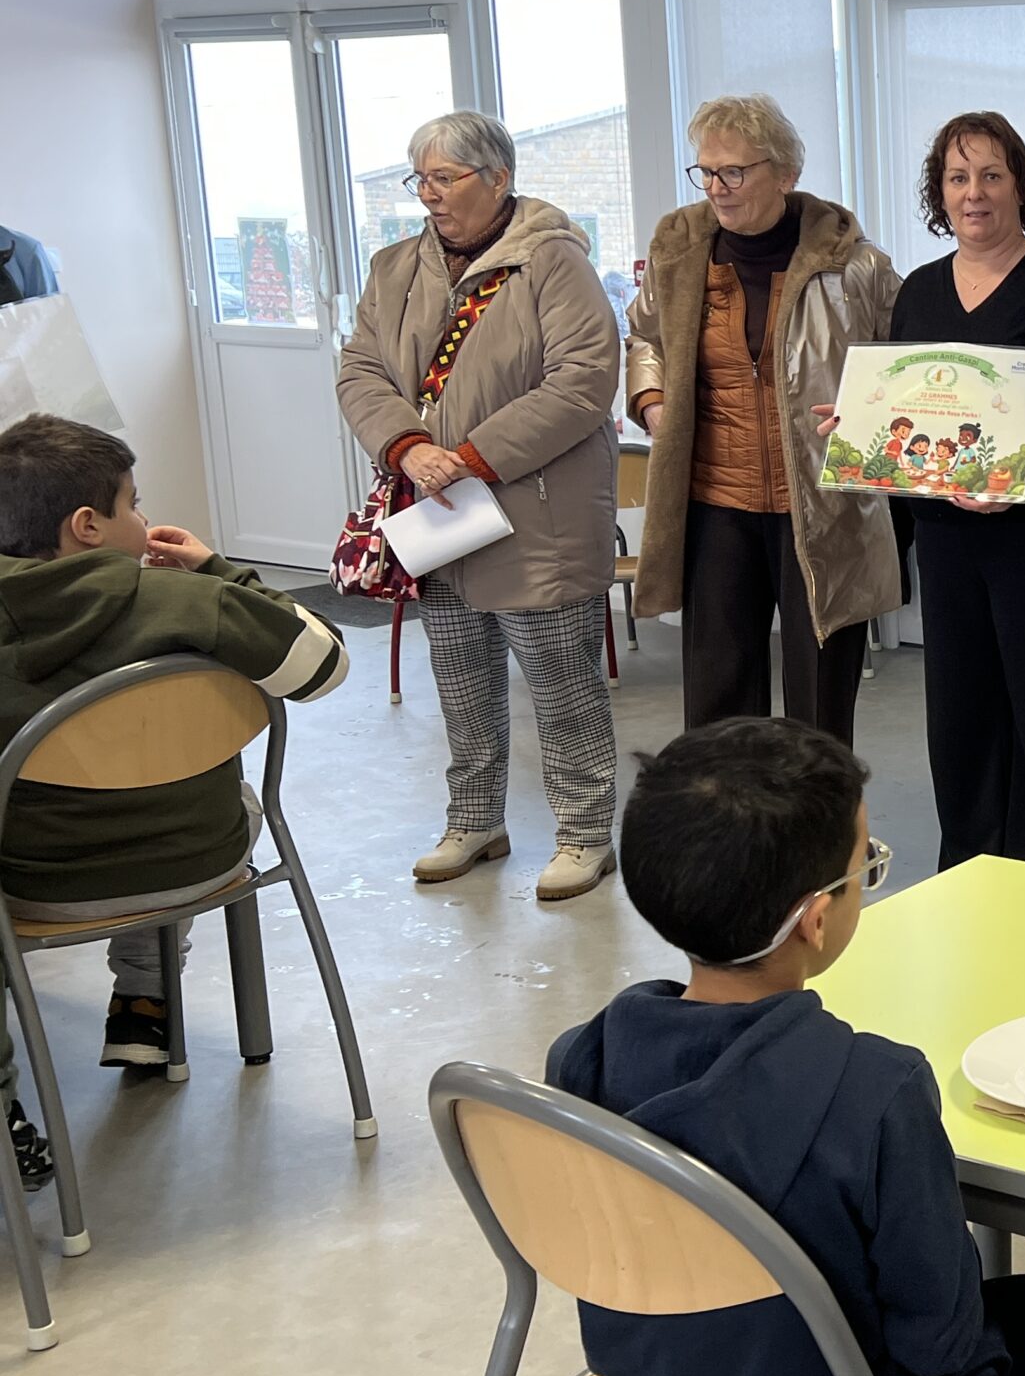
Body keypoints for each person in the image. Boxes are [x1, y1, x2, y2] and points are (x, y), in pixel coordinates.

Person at [547, 718, 1025, 1376]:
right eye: (865, 865)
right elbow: (943, 1344)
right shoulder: (874, 1091)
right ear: (817, 917)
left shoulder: (584, 1058)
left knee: (847, 1330)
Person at [0, 415, 346, 1186]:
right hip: (198, 857)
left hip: (36, 884)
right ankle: (145, 1004)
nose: (147, 521)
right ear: (89, 526)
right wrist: (223, 573)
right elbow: (323, 666)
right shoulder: (180, 601)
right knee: (199, 796)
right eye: (135, 504)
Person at [337, 109, 623, 902]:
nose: (428, 195)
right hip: (436, 510)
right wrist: (407, 447)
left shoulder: (553, 262)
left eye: (444, 178)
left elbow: (582, 381)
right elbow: (360, 369)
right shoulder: (394, 267)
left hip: (537, 511)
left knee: (562, 683)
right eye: (419, 178)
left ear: (498, 179)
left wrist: (466, 457)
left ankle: (585, 833)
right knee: (458, 677)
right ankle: (474, 820)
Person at [626, 94, 902, 743]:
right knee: (718, 699)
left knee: (820, 700)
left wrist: (871, 416)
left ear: (784, 173)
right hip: (716, 504)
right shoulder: (678, 253)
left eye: (734, 172)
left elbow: (901, 363)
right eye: (706, 172)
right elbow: (645, 340)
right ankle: (730, 838)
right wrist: (652, 400)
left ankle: (822, 838)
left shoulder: (853, 265)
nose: (717, 189)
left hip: (823, 508)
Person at [884, 111, 1025, 874]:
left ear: (1021, 185)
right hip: (949, 547)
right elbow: (907, 416)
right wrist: (865, 430)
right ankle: (971, 878)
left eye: (992, 174)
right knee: (962, 722)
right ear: (939, 193)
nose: (974, 193)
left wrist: (1021, 478)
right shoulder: (917, 293)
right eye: (958, 178)